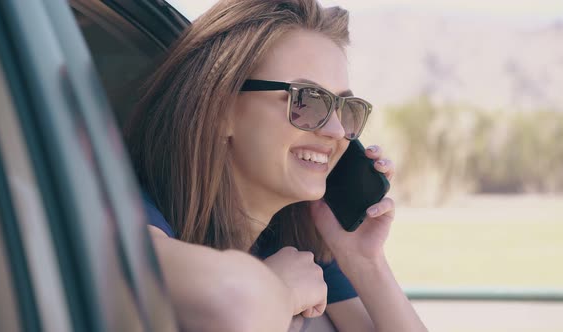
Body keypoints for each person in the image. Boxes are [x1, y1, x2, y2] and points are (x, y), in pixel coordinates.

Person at [125, 0, 427, 331]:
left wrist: (365, 262)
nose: (337, 131)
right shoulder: (133, 216)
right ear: (219, 109)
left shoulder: (297, 248)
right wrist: (281, 291)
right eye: (308, 100)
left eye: (345, 108)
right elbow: (226, 303)